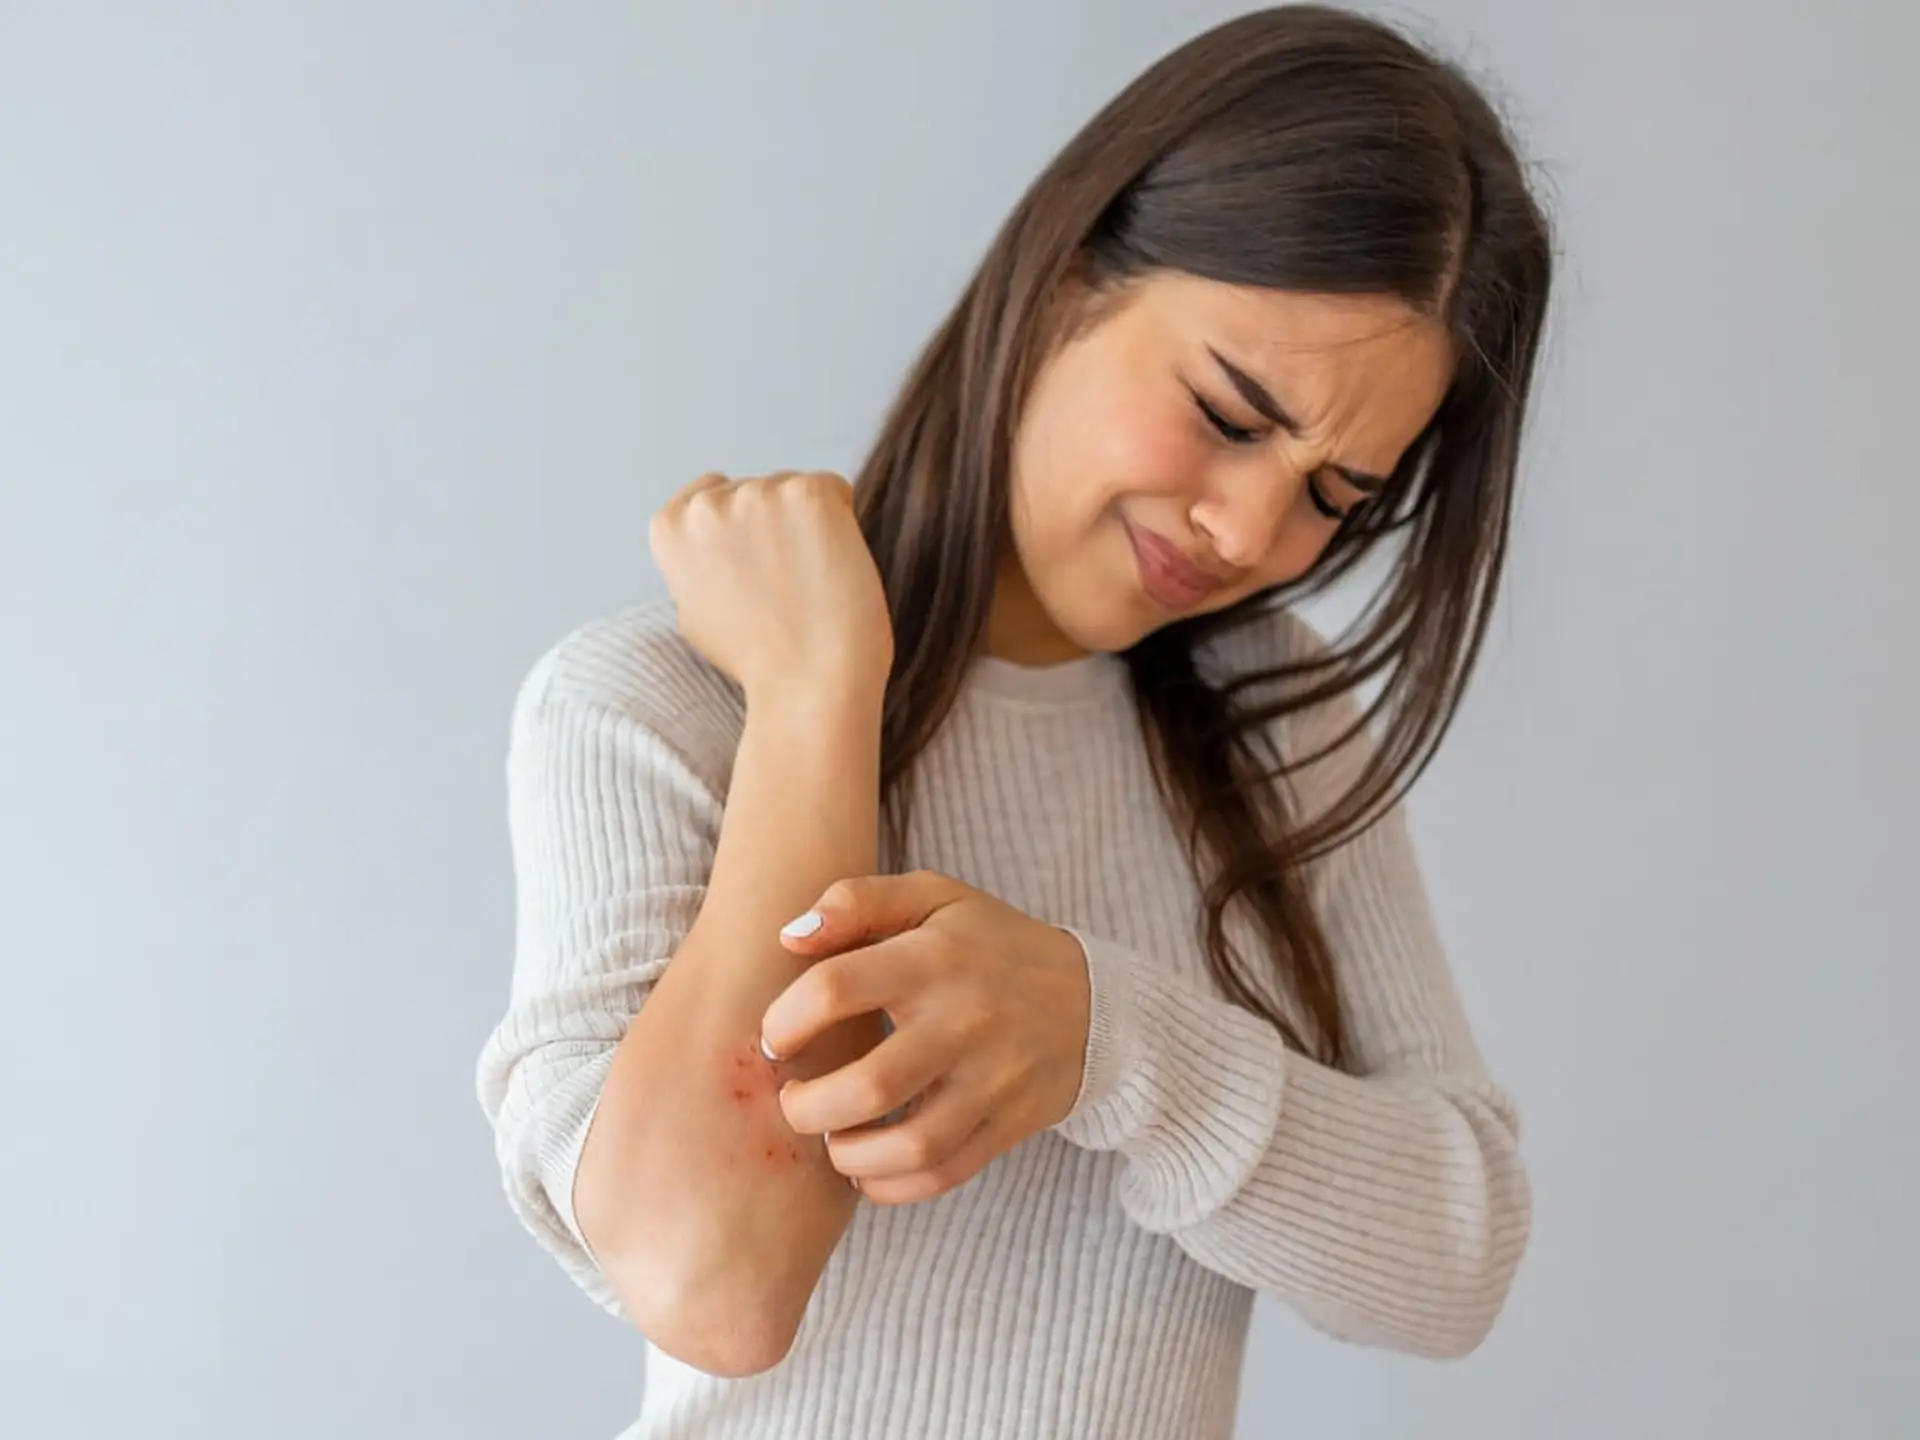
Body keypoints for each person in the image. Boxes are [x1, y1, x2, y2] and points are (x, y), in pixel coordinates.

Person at [476, 5, 1552, 1436]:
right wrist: (818, 699)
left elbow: (1452, 1262)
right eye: (1232, 414)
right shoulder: (659, 710)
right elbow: (713, 1283)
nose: (1246, 528)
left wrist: (1113, 1041)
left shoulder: (1276, 740)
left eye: (1334, 497)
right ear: (1062, 278)